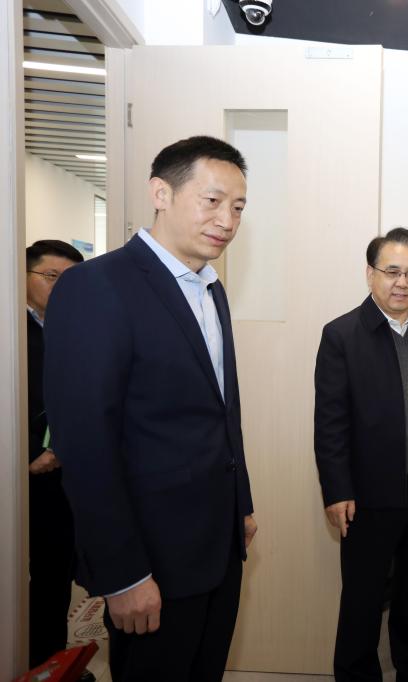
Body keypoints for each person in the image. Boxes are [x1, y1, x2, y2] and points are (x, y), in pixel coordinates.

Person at [44, 136, 257, 681]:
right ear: (161, 194)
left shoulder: (210, 289)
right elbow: (84, 444)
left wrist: (241, 504)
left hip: (217, 543)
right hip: (151, 558)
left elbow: (221, 412)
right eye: (212, 201)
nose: (227, 221)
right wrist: (122, 574)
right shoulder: (96, 286)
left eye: (237, 207)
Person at [314, 227, 408, 682]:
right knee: (363, 597)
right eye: (392, 271)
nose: (402, 282)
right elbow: (330, 423)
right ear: (370, 273)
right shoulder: (341, 335)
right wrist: (337, 490)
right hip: (367, 493)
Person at [25, 239, 83, 667]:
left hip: (61, 474)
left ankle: (49, 665)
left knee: (54, 577)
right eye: (51, 276)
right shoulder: (11, 330)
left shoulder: (75, 329)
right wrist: (28, 453)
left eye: (70, 280)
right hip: (20, 472)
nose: (61, 287)